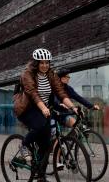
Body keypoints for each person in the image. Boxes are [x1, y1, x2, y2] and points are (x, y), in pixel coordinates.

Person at [13, 48, 79, 181]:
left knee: (46, 144)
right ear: (36, 63)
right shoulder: (27, 74)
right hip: (27, 109)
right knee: (40, 126)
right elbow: (32, 93)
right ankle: (24, 145)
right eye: (41, 63)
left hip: (44, 110)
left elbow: (60, 92)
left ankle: (41, 176)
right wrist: (43, 107)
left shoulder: (51, 74)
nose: (44, 65)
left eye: (47, 63)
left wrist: (72, 106)